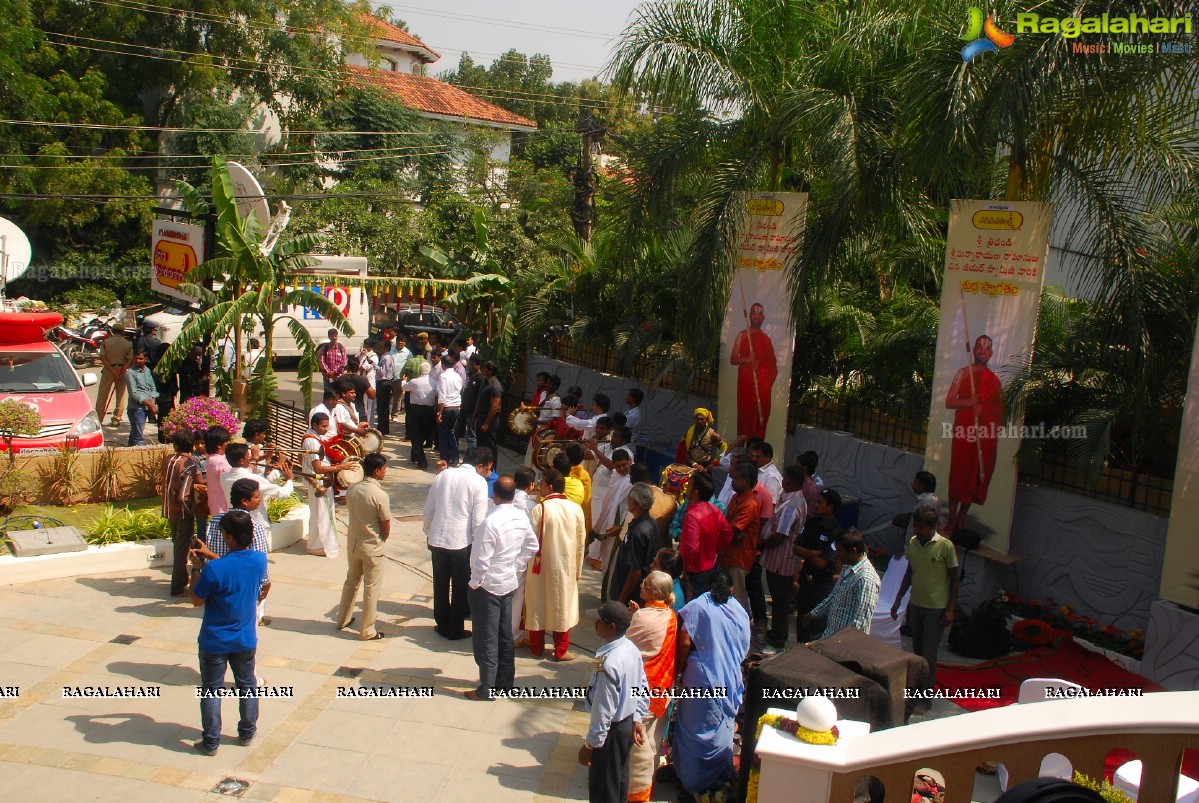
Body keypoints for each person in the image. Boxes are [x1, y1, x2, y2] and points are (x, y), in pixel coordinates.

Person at [188, 510, 270, 756]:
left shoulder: (214, 570)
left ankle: (211, 741)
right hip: (244, 639)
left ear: (229, 537)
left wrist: (196, 568)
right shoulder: (259, 560)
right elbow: (240, 568)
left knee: (211, 690)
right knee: (247, 686)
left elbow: (196, 599)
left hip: (214, 641)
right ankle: (247, 732)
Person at [673, 570, 751, 797]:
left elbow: (685, 642)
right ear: (731, 590)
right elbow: (744, 647)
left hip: (701, 677)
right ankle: (717, 776)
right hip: (728, 677)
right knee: (719, 730)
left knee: (693, 730)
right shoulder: (739, 610)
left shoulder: (698, 606)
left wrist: (680, 668)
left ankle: (690, 780)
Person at [465, 476, 540, 701]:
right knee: (504, 635)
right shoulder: (520, 516)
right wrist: (515, 565)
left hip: (487, 586)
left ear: (495, 496)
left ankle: (487, 687)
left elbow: (481, 559)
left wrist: (475, 583)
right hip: (507, 583)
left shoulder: (490, 522)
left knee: (486, 637)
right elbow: (532, 546)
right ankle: (505, 683)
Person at [578, 601, 649, 803]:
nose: (595, 624)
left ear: (611, 627)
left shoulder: (610, 664)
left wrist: (590, 746)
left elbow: (603, 711)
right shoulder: (631, 648)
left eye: (600, 621)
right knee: (618, 782)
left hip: (611, 733)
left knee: (603, 790)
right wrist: (637, 717)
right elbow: (642, 686)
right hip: (626, 726)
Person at [423, 448, 494, 640]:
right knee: (461, 585)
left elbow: (429, 508)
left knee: (440, 582)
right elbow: (478, 520)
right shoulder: (478, 482)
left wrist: (429, 532)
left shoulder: (443, 475)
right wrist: (479, 546)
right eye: (488, 469)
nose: (488, 474)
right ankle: (455, 627)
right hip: (461, 542)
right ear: (480, 466)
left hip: (438, 538)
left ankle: (442, 621)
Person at [891, 505, 959, 703]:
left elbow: (955, 578)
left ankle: (925, 699)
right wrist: (898, 599)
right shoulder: (913, 543)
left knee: (929, 654)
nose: (917, 531)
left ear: (932, 527)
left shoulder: (946, 546)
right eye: (915, 527)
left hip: (936, 609)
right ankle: (916, 691)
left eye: (921, 527)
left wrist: (951, 608)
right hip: (916, 605)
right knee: (917, 651)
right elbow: (910, 572)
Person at [524, 468, 587, 661]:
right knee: (562, 605)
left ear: (549, 486)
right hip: (566, 567)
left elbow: (528, 541)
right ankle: (560, 650)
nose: (539, 487)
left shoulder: (539, 509)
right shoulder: (576, 509)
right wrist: (578, 569)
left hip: (539, 566)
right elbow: (581, 542)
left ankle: (536, 648)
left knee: (537, 604)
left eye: (541, 484)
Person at [625, 570, 676, 803]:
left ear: (655, 592)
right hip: (663, 688)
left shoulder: (643, 617)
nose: (641, 586)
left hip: (643, 689)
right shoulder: (670, 615)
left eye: (645, 584)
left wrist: (634, 617)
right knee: (653, 739)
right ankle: (647, 785)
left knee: (639, 746)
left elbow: (627, 643)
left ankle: (638, 793)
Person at [945, 334, 1003, 534]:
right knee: (958, 476)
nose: (982, 350)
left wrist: (985, 411)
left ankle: (961, 520)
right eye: (979, 346)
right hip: (963, 434)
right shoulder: (962, 373)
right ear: (974, 349)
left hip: (982, 436)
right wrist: (969, 403)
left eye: (986, 348)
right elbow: (949, 401)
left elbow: (999, 413)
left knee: (974, 478)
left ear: (991, 353)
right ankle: (952, 519)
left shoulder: (994, 381)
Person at [197, 478, 273, 625]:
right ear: (245, 501)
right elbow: (261, 561)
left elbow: (210, 549)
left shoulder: (215, 520)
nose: (259, 500)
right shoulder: (254, 526)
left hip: (218, 580)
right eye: (257, 497)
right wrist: (265, 586)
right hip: (243, 585)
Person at [336, 454, 392, 641]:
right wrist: (380, 540)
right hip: (372, 547)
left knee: (351, 581)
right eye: (384, 469)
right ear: (377, 471)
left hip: (353, 543)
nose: (385, 472)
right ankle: (367, 630)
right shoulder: (380, 495)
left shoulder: (353, 489)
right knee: (371, 588)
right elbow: (385, 525)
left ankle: (342, 619)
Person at [759, 465, 807, 653]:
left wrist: (761, 545)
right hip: (779, 560)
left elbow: (780, 534)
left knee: (780, 601)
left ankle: (778, 640)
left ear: (791, 481)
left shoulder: (793, 505)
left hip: (781, 561)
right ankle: (775, 633)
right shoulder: (791, 499)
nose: (782, 482)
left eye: (784, 478)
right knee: (780, 599)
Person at [803, 529, 881, 640]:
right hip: (830, 636)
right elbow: (834, 596)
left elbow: (860, 622)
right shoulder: (847, 567)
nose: (836, 555)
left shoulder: (866, 579)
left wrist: (840, 644)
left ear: (853, 551)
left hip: (845, 645)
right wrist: (814, 613)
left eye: (840, 551)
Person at [794, 488, 844, 642]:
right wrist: (815, 553)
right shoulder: (811, 523)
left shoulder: (835, 532)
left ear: (831, 507)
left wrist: (808, 553)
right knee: (802, 623)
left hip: (821, 585)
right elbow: (796, 548)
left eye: (820, 503)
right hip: (805, 581)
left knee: (816, 627)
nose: (815, 505)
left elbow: (823, 563)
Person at [678, 472, 733, 602]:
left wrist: (685, 569)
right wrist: (716, 549)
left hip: (694, 572)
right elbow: (728, 533)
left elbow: (691, 548)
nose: (686, 488)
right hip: (709, 567)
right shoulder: (714, 510)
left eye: (689, 486)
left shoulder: (692, 516)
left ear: (696, 492)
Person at [219, 443, 295, 533]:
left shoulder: (223, 476)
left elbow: (246, 473)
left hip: (236, 523)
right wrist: (290, 480)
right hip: (256, 525)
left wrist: (263, 465)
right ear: (241, 460)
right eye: (248, 456)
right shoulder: (254, 479)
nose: (250, 458)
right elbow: (283, 493)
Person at [729, 302, 777, 440]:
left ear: (763, 317)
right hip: (745, 387)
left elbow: (773, 368)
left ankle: (755, 453)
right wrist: (748, 359)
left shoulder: (766, 340)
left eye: (759, 314)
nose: (756, 316)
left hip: (760, 390)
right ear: (750, 316)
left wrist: (761, 368)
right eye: (754, 313)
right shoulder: (742, 335)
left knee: (758, 423)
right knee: (744, 419)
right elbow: (733, 359)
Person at [719, 461, 761, 616]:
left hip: (738, 558)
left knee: (735, 602)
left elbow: (731, 529)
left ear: (747, 481)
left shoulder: (750, 504)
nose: (732, 482)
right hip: (727, 554)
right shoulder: (736, 497)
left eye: (736, 479)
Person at [608, 483, 658, 606]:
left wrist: (620, 601)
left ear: (635, 503)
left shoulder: (637, 532)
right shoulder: (652, 524)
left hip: (630, 596)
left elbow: (635, 572)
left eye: (629, 499)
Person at [301, 413, 341, 558]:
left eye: (327, 426)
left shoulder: (316, 437)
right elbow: (317, 468)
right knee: (321, 514)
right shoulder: (311, 441)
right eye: (323, 426)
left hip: (323, 481)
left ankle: (323, 543)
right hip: (318, 481)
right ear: (314, 425)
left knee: (325, 512)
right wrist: (340, 468)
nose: (326, 429)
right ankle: (318, 546)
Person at [163, 430, 198, 597]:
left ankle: (182, 579)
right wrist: (191, 509)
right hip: (182, 513)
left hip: (169, 510)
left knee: (177, 545)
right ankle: (177, 586)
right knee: (181, 549)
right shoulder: (189, 464)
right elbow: (183, 494)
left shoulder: (168, 460)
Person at [95, 327, 133, 427]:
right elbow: (130, 359)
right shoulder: (127, 343)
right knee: (120, 395)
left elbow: (102, 357)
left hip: (108, 369)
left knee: (102, 394)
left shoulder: (106, 342)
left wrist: (112, 370)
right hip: (121, 369)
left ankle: (99, 418)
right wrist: (122, 370)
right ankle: (116, 419)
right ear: (122, 331)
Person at [402, 362, 436, 468]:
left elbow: (404, 387)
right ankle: (416, 456)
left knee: (415, 435)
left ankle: (420, 459)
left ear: (419, 371)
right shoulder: (435, 383)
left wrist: (403, 380)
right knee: (424, 433)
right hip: (429, 411)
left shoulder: (414, 382)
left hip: (415, 410)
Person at [435, 354, 464, 465]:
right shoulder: (457, 376)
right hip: (456, 407)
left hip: (446, 407)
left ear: (443, 364)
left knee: (443, 434)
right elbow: (460, 390)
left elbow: (442, 395)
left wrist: (439, 412)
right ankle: (455, 457)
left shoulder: (443, 376)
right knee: (451, 432)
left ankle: (445, 459)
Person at [125, 349, 158, 446]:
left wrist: (152, 403)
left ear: (146, 359)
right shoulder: (130, 373)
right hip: (137, 409)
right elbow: (134, 394)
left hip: (147, 406)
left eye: (141, 358)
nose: (138, 361)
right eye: (136, 358)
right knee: (138, 438)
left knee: (134, 434)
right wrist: (150, 405)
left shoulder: (147, 370)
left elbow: (153, 388)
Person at [474, 360, 504, 458]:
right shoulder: (484, 382)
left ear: (490, 371)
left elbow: (494, 406)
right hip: (480, 417)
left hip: (490, 420)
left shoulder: (495, 385)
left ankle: (492, 468)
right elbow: (479, 400)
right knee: (480, 445)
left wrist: (486, 423)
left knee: (489, 446)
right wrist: (475, 416)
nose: (483, 370)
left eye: (485, 369)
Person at [203, 427, 233, 516]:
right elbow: (234, 476)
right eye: (226, 441)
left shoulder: (212, 459)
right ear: (219, 445)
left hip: (217, 506)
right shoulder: (219, 462)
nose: (228, 443)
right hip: (223, 508)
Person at [375, 338, 396, 435]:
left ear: (386, 348)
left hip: (384, 382)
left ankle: (383, 427)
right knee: (383, 406)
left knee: (382, 406)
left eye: (381, 347)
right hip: (384, 382)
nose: (380, 348)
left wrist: (374, 365)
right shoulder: (385, 356)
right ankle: (383, 426)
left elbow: (382, 371)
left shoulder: (386, 357)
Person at [317, 328, 347, 396]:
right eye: (332, 336)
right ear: (329, 337)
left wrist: (335, 372)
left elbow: (343, 362)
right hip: (327, 377)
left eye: (335, 336)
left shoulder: (341, 347)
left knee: (338, 394)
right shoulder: (325, 347)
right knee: (328, 394)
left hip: (338, 376)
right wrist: (328, 372)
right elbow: (322, 360)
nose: (334, 338)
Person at [358, 339, 379, 427]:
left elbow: (365, 367)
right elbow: (356, 362)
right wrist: (362, 355)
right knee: (362, 402)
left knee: (369, 404)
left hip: (369, 382)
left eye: (366, 346)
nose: (365, 347)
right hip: (361, 381)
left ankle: (369, 423)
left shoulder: (374, 356)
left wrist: (365, 356)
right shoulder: (362, 354)